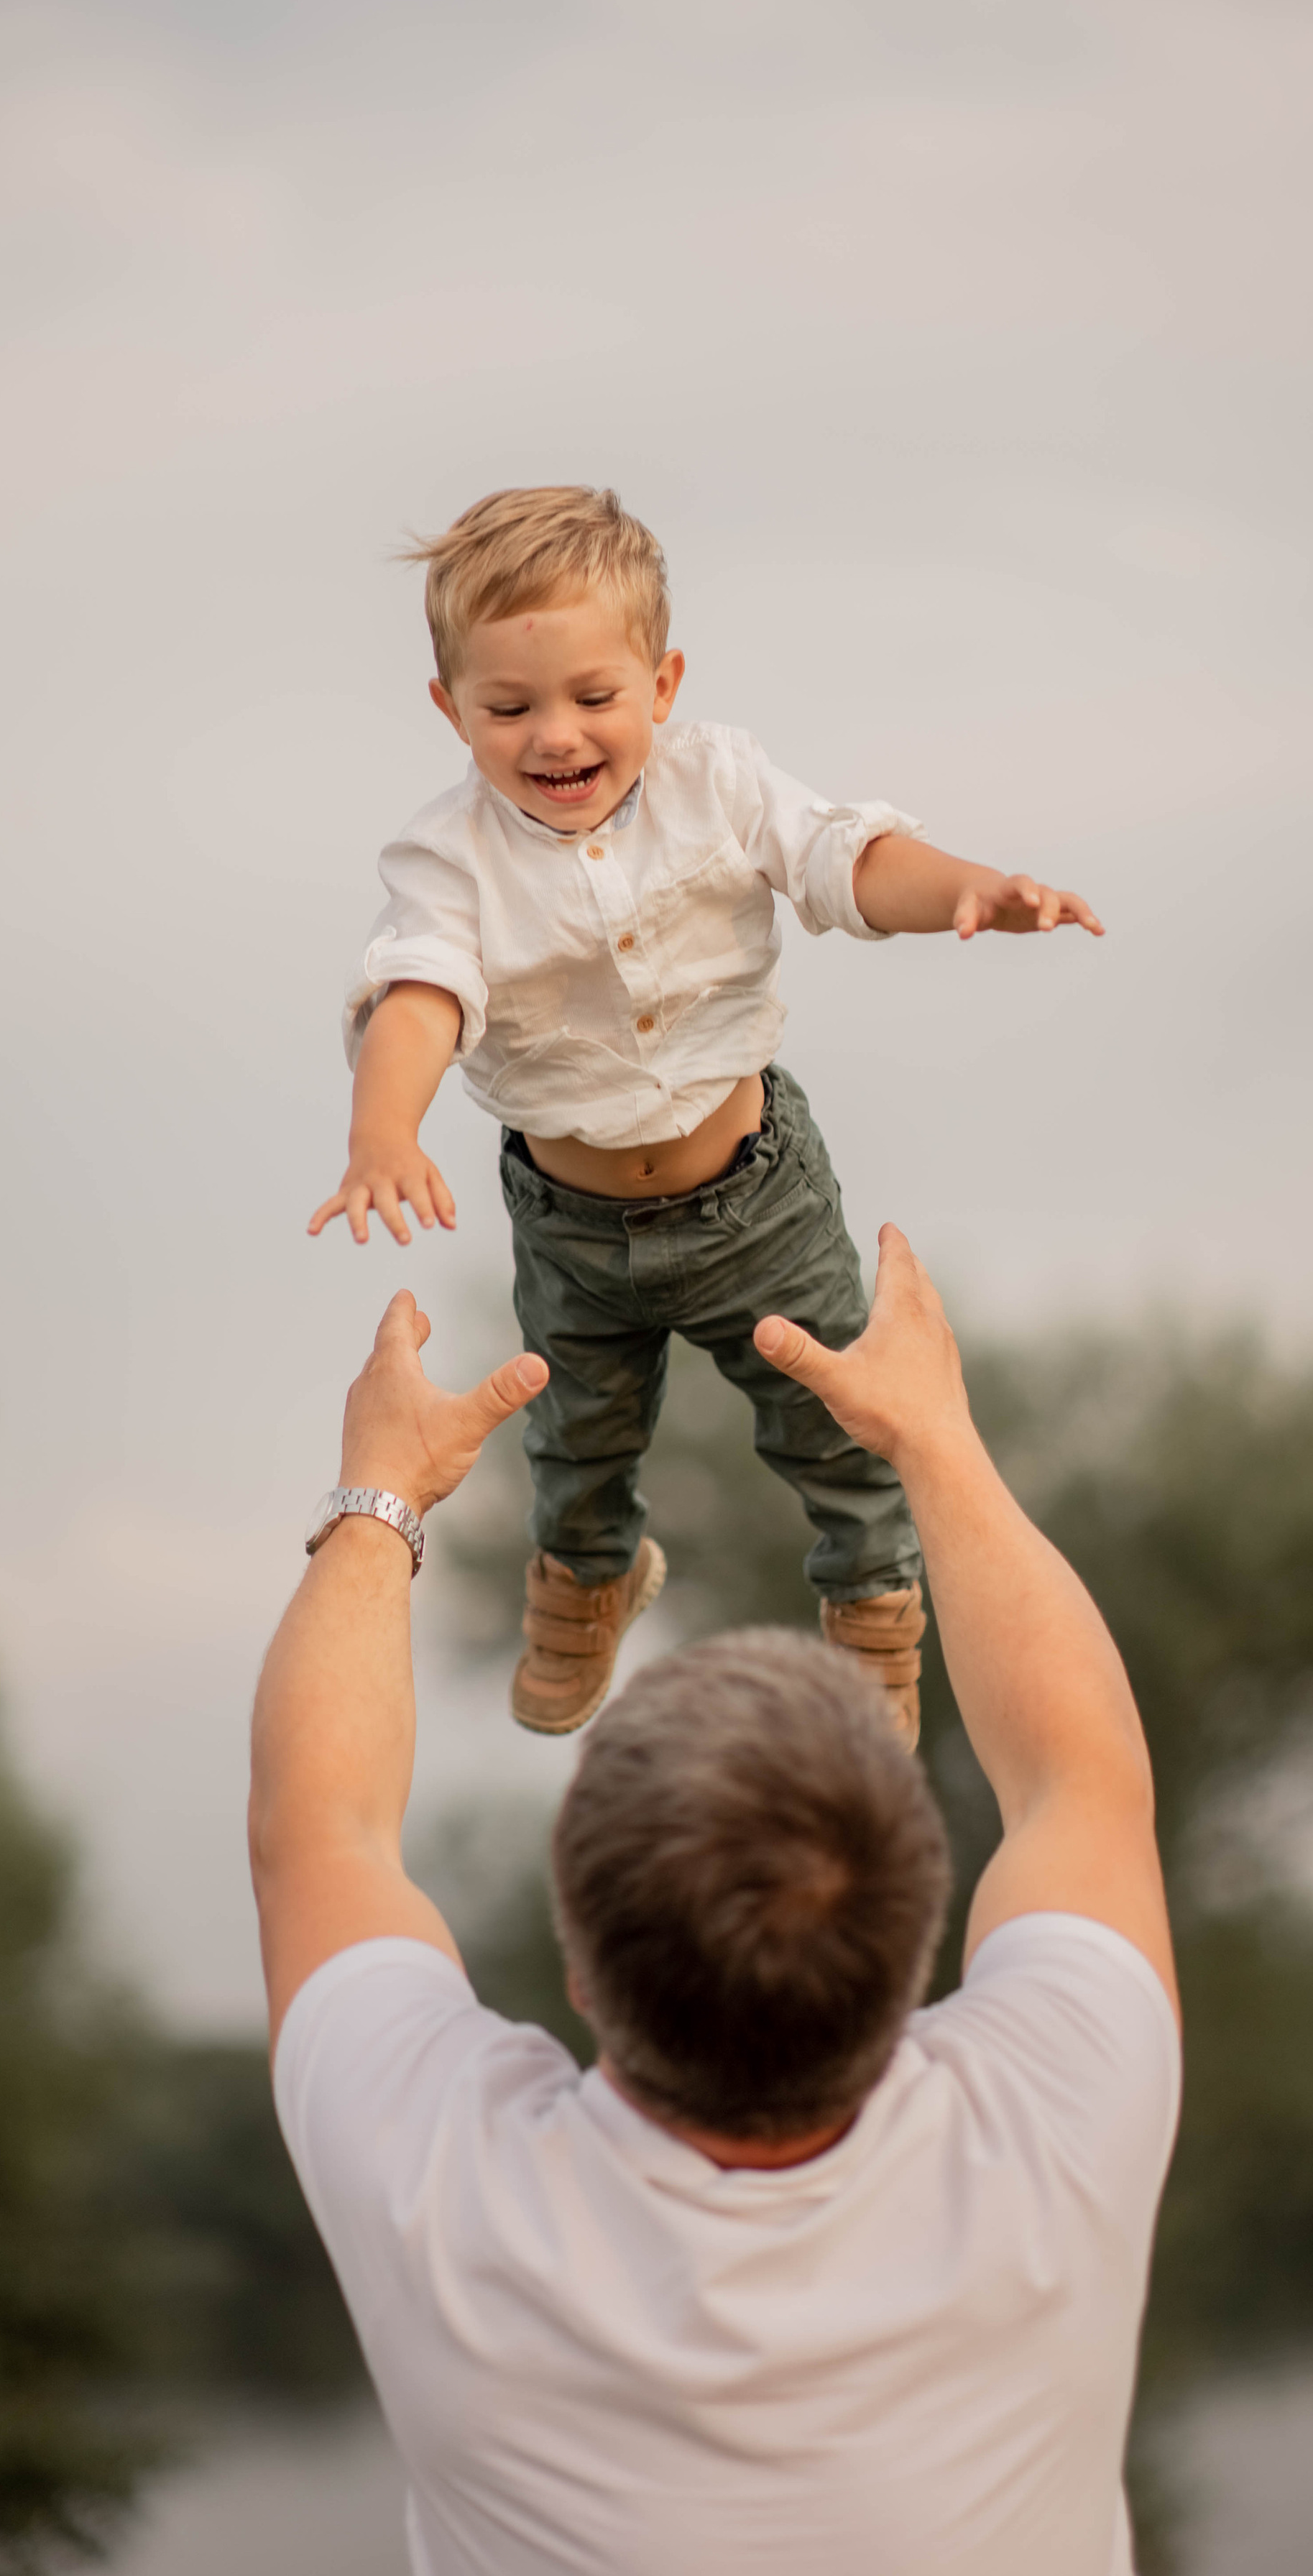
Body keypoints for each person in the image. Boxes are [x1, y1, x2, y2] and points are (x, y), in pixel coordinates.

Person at [252, 1226, 1180, 2576]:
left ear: (581, 1962)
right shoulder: (1056, 2128)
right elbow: (1082, 1782)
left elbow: (317, 1833)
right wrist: (937, 1441)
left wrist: (383, 1491)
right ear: (916, 1939)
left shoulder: (451, 2199)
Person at [307, 486, 1103, 1745]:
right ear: (449, 707)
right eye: (508, 708)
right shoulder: (446, 859)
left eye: (593, 697)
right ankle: (589, 1580)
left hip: (759, 1199)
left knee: (841, 1419)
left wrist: (971, 889)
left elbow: (848, 861)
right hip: (573, 1228)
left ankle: (874, 1617)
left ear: (662, 683)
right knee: (576, 1439)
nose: (555, 736)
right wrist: (383, 1132)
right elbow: (421, 995)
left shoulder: (720, 783)